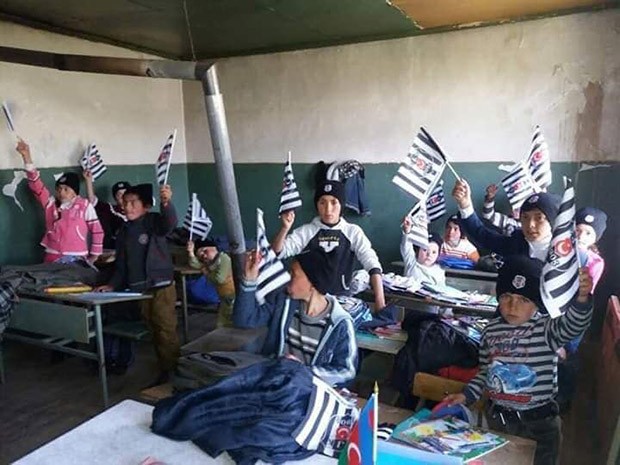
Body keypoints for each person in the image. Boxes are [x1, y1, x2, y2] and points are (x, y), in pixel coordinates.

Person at [444, 255, 594, 465]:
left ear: (537, 303)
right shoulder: (490, 331)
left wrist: (582, 299)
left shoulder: (547, 328)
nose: (513, 306)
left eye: (523, 300)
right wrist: (467, 395)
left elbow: (574, 325)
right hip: (498, 420)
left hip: (539, 424)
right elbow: (486, 371)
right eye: (507, 296)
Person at [232, 248, 357, 387]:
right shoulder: (283, 301)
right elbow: (244, 321)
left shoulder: (340, 324)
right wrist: (249, 280)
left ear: (313, 283)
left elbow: (347, 372)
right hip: (271, 381)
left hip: (305, 391)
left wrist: (302, 371)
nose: (288, 279)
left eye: (293, 274)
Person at [95, 183, 179, 384]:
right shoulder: (124, 231)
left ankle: (174, 373)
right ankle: (165, 369)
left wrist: (166, 203)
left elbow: (170, 223)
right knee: (153, 329)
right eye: (125, 203)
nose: (127, 207)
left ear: (146, 205)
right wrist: (112, 285)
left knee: (165, 330)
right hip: (141, 289)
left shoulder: (153, 222)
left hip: (161, 286)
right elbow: (121, 266)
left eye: (133, 202)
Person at [271, 180, 385, 310]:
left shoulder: (352, 232)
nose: (328, 209)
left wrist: (380, 300)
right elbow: (277, 252)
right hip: (309, 302)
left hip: (341, 301)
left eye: (334, 202)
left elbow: (372, 264)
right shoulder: (306, 232)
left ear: (341, 205)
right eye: (322, 202)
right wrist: (285, 228)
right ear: (317, 205)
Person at [16, 139, 104, 263]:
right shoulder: (51, 204)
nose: (61, 192)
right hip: (52, 256)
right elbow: (36, 185)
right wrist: (27, 157)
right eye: (59, 189)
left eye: (66, 189)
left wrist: (95, 255)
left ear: (75, 192)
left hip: (76, 257)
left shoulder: (84, 206)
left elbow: (97, 231)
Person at [452, 179, 560, 262]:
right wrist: (465, 204)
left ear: (553, 221)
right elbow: (480, 233)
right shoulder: (515, 243)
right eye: (525, 217)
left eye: (539, 218)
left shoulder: (564, 249)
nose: (530, 224)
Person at [187, 238, 235, 328]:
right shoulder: (209, 263)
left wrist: (207, 273)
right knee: (222, 323)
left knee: (229, 321)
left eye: (205, 251)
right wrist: (191, 252)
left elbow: (219, 278)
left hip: (233, 295)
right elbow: (195, 264)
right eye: (201, 256)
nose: (204, 256)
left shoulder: (223, 258)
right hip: (224, 296)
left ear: (214, 248)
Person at [83, 170, 130, 250]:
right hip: (113, 249)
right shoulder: (109, 209)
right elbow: (92, 201)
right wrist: (88, 181)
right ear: (115, 198)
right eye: (119, 194)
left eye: (125, 193)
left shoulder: (138, 212)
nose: (123, 197)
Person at [400, 216, 445, 286]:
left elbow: (441, 289)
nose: (429, 254)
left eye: (434, 252)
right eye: (425, 250)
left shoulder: (439, 272)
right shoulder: (411, 263)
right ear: (418, 251)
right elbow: (406, 246)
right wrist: (407, 232)